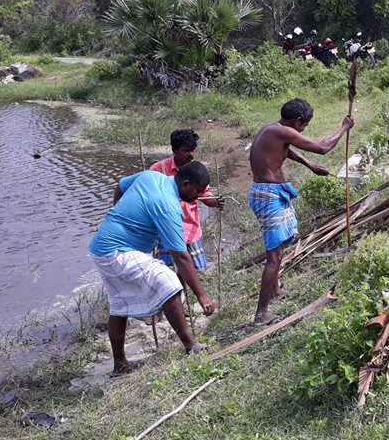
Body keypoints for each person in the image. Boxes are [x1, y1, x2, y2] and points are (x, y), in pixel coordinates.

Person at [89, 162, 215, 376]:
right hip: (117, 251)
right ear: (185, 184)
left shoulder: (150, 177)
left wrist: (118, 212)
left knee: (119, 305)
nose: (200, 196)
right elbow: (182, 257)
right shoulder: (168, 206)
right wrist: (202, 296)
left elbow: (120, 186)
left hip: (101, 248)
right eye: (198, 190)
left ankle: (120, 365)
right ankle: (190, 345)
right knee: (169, 282)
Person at [247, 98, 354, 325]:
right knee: (273, 257)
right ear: (297, 121)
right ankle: (261, 314)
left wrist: (309, 165)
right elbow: (323, 148)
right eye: (304, 125)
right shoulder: (283, 131)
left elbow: (288, 151)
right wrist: (343, 128)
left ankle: (275, 290)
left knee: (279, 247)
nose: (304, 129)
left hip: (270, 193)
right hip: (268, 196)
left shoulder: (273, 129)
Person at [150, 130, 224, 289]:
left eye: (192, 150)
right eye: (185, 151)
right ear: (174, 150)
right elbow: (148, 197)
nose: (190, 155)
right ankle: (176, 302)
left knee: (192, 269)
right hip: (166, 232)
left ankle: (185, 298)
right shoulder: (158, 170)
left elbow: (205, 195)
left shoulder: (196, 170)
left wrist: (215, 202)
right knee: (166, 273)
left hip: (189, 230)